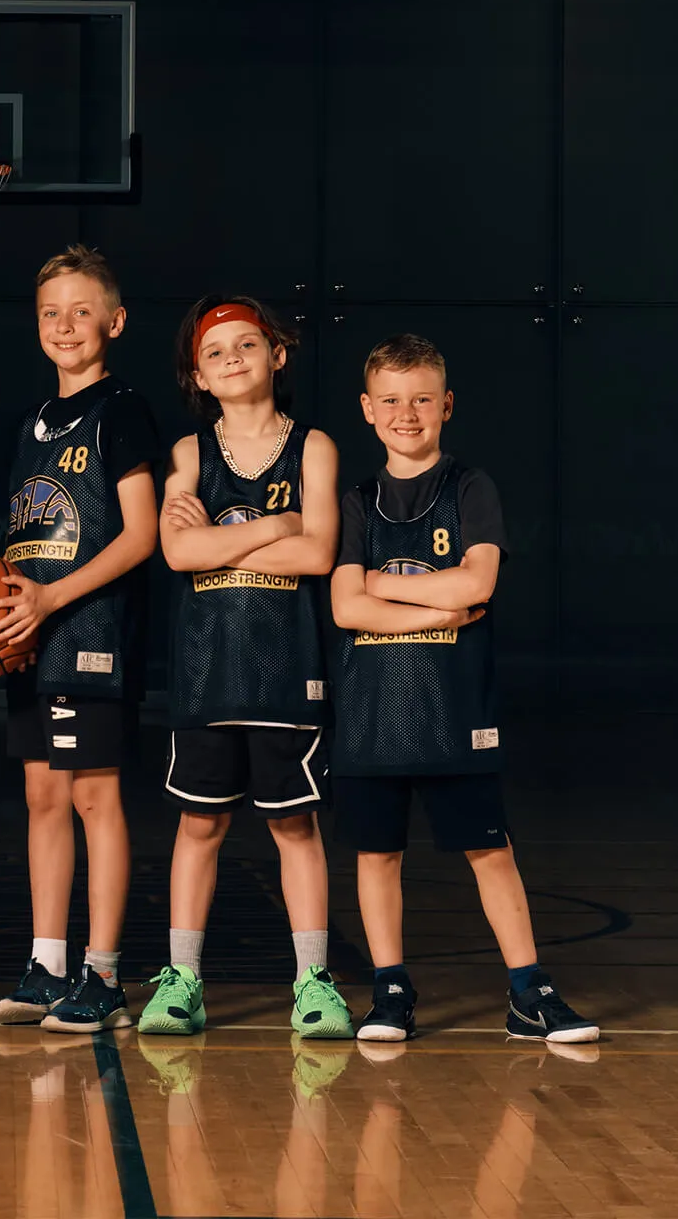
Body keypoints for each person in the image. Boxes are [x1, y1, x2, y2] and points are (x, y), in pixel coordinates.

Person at [330, 332, 598, 1044]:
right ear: (367, 409)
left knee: (491, 851)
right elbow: (343, 607)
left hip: (455, 710)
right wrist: (432, 605)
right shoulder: (356, 501)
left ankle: (528, 991)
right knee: (376, 856)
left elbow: (479, 581)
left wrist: (379, 586)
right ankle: (390, 991)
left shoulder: (470, 487)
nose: (406, 413)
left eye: (421, 398)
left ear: (446, 405)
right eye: (390, 400)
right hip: (372, 714)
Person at [142, 297, 352, 1040]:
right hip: (205, 674)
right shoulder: (189, 455)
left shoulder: (314, 448)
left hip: (287, 670)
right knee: (199, 825)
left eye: (246, 346)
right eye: (215, 352)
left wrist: (231, 541)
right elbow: (177, 553)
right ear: (196, 376)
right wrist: (279, 524)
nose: (232, 359)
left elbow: (319, 554)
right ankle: (183, 978)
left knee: (296, 829)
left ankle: (314, 982)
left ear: (278, 354)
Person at [0, 244, 160, 1033]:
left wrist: (53, 596)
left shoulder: (121, 409)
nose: (64, 325)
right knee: (42, 795)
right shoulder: (28, 422)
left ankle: (106, 973)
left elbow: (140, 535)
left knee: (95, 796)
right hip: (32, 638)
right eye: (50, 312)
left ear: (115, 322)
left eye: (81, 311)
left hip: (93, 636)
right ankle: (47, 961)